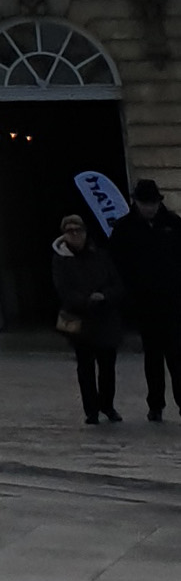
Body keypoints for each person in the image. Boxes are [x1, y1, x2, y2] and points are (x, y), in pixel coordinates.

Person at [113, 179, 181, 421]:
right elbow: (118, 266)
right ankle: (155, 404)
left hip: (173, 303)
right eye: (145, 203)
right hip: (144, 304)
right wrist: (129, 297)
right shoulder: (124, 229)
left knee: (176, 356)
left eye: (153, 203)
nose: (150, 208)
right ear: (136, 203)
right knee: (153, 358)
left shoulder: (173, 224)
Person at [53, 207, 126, 424]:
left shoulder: (101, 255)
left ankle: (108, 405)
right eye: (70, 231)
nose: (75, 234)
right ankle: (91, 410)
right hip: (79, 321)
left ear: (86, 232)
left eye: (79, 230)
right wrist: (86, 300)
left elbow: (117, 284)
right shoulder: (60, 260)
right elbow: (63, 290)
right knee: (85, 368)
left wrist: (104, 296)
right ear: (64, 235)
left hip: (105, 319)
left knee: (107, 368)